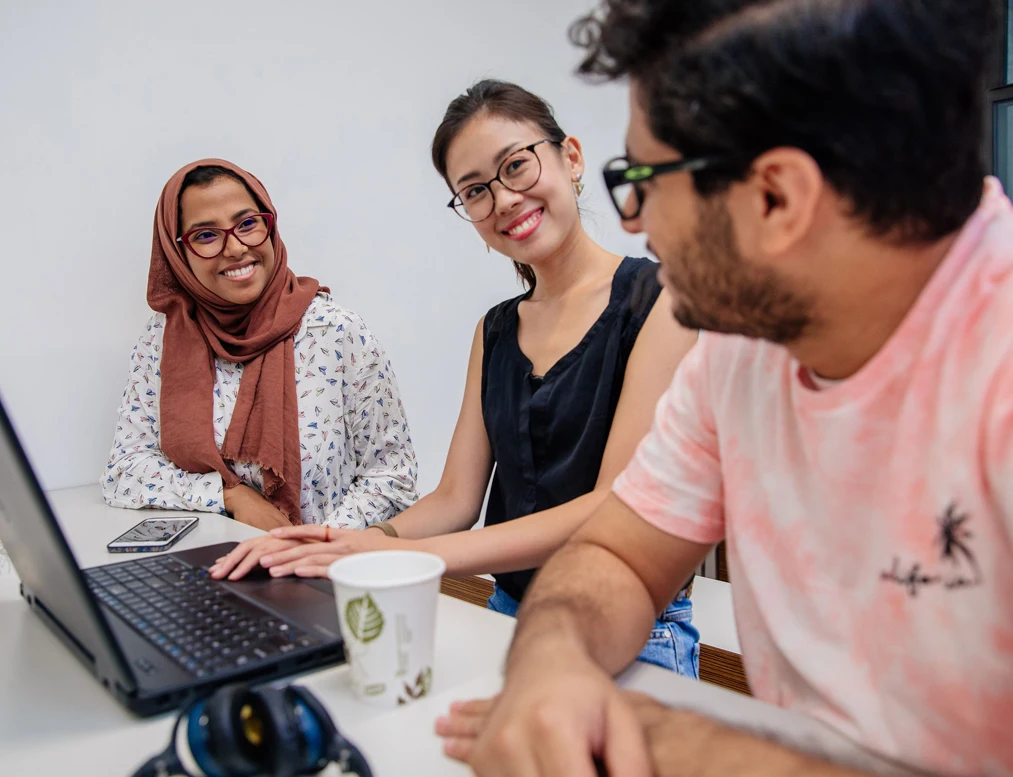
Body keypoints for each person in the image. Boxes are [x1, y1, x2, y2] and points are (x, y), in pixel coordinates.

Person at [433, 2, 1013, 777]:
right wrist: (553, 660)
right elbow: (616, 552)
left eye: (642, 181)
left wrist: (695, 748)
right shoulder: (740, 344)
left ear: (775, 198)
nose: (633, 222)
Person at [210, 81, 701, 675]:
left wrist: (403, 557)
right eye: (474, 191)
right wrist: (359, 538)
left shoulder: (661, 301)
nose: (504, 200)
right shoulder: (495, 329)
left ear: (570, 158)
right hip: (509, 616)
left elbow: (608, 508)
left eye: (515, 165)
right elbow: (456, 499)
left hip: (636, 632)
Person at [102, 159, 418, 531]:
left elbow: (393, 478)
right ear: (178, 253)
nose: (235, 247)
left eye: (248, 224)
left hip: (326, 560)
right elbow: (126, 470)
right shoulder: (164, 339)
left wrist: (309, 545)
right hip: (213, 557)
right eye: (206, 236)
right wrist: (230, 496)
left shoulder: (335, 332)